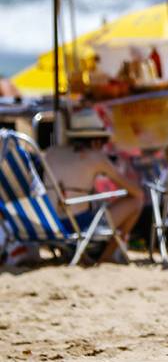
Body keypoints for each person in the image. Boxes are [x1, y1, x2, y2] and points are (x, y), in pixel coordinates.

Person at [45, 109, 144, 262]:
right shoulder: (95, 157)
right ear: (96, 141)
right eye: (104, 142)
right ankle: (107, 257)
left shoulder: (51, 152)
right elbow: (137, 193)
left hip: (49, 224)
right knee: (136, 201)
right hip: (77, 225)